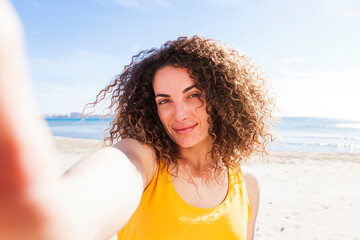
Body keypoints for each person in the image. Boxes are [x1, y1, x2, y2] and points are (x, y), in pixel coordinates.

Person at [0, 1, 275, 239]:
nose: (179, 114)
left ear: (221, 98)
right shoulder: (147, 162)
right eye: (164, 100)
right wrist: (61, 218)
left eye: (193, 95)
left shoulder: (247, 186)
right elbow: (113, 175)